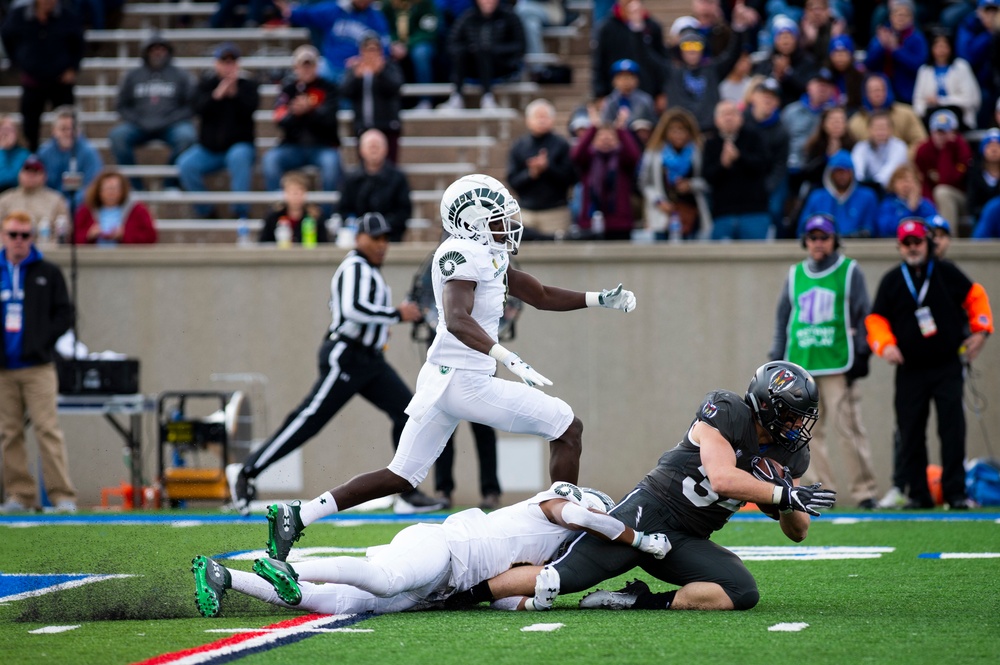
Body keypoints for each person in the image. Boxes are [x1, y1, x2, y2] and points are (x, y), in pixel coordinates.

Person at [258, 174, 638, 562]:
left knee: (402, 474)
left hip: (444, 379)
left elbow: (537, 294)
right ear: (472, 221)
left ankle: (299, 513)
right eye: (498, 216)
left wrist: (597, 299)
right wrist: (506, 356)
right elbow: (457, 318)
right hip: (464, 380)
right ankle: (560, 534)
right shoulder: (458, 253)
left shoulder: (488, 252)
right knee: (566, 425)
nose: (507, 222)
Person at [448, 361, 837, 612]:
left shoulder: (790, 456)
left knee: (741, 591)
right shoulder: (728, 411)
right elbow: (720, 477)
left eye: (800, 418)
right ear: (766, 406)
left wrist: (789, 503)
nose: (795, 426)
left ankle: (641, 600)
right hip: (647, 514)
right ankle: (461, 597)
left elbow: (798, 531)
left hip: (687, 538)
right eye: (789, 415)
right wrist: (781, 492)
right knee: (558, 577)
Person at [191, 483, 669, 617]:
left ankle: (224, 576)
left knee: (327, 603)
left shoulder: (551, 555)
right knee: (382, 579)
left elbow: (500, 595)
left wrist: (548, 595)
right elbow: (580, 517)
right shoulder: (554, 508)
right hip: (440, 549)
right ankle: (285, 566)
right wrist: (635, 538)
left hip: (437, 586)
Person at [227, 212, 433, 516]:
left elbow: (358, 310)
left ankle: (405, 490)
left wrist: (384, 324)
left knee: (409, 413)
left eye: (385, 238)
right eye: (375, 238)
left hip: (370, 360)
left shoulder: (370, 271)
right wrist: (394, 315)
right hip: (347, 357)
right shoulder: (354, 266)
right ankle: (246, 471)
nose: (381, 244)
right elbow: (352, 309)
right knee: (309, 419)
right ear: (359, 238)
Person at [866, 219, 994, 509]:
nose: (912, 248)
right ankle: (919, 494)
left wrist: (982, 331)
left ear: (928, 243)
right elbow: (875, 320)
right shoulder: (892, 280)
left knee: (952, 430)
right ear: (899, 246)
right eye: (906, 243)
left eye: (917, 242)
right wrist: (885, 345)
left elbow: (976, 297)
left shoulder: (947, 273)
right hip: (910, 369)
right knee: (910, 432)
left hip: (947, 365)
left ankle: (956, 493)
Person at [769, 214, 878, 509]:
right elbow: (783, 319)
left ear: (834, 240)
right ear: (806, 240)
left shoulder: (849, 270)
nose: (818, 243)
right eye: (813, 237)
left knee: (849, 428)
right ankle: (822, 492)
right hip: (801, 367)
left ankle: (864, 492)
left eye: (824, 237)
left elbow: (863, 313)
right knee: (807, 435)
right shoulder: (795, 274)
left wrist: (862, 353)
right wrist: (776, 357)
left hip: (837, 363)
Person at [0, 210, 77, 513]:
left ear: (32, 237)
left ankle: (62, 495)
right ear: (4, 236)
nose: (19, 241)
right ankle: (20, 494)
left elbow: (65, 314)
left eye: (24, 235)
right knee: (9, 432)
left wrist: (41, 340)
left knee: (47, 429)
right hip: (4, 368)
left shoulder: (48, 272)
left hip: (38, 366)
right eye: (13, 234)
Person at [176, 42, 260, 221]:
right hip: (210, 149)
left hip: (239, 146)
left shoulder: (248, 85)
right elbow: (197, 108)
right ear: (216, 64)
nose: (228, 66)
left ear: (237, 64)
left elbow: (251, 108)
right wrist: (216, 96)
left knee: (238, 156)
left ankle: (240, 211)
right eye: (224, 61)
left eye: (232, 61)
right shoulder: (206, 84)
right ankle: (206, 211)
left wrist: (235, 95)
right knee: (185, 164)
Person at [108, 33, 197, 189]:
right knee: (118, 136)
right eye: (153, 49)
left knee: (187, 136)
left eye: (161, 49)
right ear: (146, 52)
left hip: (172, 125)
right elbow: (121, 106)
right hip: (139, 125)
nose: (157, 52)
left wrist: (170, 119)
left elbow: (192, 105)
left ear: (168, 51)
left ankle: (170, 185)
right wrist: (138, 120)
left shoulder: (181, 75)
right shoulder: (133, 75)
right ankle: (135, 187)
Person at [0, 0, 85, 152]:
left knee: (68, 122)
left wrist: (73, 67)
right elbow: (6, 36)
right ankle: (33, 158)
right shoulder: (19, 16)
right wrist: (17, 61)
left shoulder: (67, 16)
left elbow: (79, 43)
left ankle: (70, 156)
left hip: (61, 81)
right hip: (32, 81)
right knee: (30, 126)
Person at [261, 45, 342, 193]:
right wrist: (294, 113)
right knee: (270, 160)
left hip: (323, 146)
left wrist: (310, 110)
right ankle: (279, 208)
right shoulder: (288, 89)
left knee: (331, 164)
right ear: (295, 68)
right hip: (292, 147)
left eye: (310, 65)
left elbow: (329, 119)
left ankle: (329, 214)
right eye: (303, 66)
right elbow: (280, 119)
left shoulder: (329, 88)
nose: (306, 70)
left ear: (317, 66)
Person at [274, 0, 391, 86]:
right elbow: (309, 15)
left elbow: (384, 47)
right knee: (319, 71)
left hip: (357, 68)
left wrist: (363, 60)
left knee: (363, 80)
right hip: (331, 65)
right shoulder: (336, 10)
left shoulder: (376, 18)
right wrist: (291, 11)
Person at [570, 107, 643, 240]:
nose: (606, 139)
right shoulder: (588, 159)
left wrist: (621, 130)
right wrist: (593, 128)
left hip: (619, 223)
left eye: (610, 136)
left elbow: (635, 156)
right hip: (590, 222)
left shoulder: (622, 159)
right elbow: (575, 155)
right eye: (601, 135)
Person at [439, 0, 526, 110]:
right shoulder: (468, 17)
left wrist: (493, 50)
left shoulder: (509, 16)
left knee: (483, 51)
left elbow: (519, 46)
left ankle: (488, 97)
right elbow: (452, 43)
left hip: (502, 66)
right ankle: (457, 97)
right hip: (474, 67)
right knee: (464, 52)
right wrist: (471, 49)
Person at [703, 100, 771, 240]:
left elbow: (764, 166)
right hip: (723, 213)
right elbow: (707, 177)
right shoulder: (710, 143)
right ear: (716, 120)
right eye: (724, 114)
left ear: (741, 118)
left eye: (732, 113)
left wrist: (740, 157)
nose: (728, 118)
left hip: (754, 210)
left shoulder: (754, 137)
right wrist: (722, 164)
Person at [506, 99, 576, 237]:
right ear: (528, 120)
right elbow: (512, 180)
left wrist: (548, 168)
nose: (541, 120)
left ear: (552, 119)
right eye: (537, 116)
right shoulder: (519, 146)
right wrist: (531, 173)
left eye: (545, 116)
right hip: (526, 211)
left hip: (555, 211)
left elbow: (571, 177)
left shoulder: (561, 144)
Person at [638, 107, 705, 240]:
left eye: (682, 130)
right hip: (663, 211)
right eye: (674, 130)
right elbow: (644, 182)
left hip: (690, 211)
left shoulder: (698, 152)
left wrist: (691, 185)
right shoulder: (654, 153)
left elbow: (707, 179)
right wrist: (658, 201)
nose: (678, 135)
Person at [340, 32, 404, 163]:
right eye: (367, 50)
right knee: (365, 166)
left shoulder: (390, 67)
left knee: (389, 165)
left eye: (374, 50)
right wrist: (355, 77)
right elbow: (345, 92)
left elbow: (395, 88)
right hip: (363, 126)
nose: (371, 54)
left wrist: (380, 72)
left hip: (387, 126)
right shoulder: (355, 69)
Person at [337, 129, 411, 242]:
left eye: (377, 146)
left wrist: (380, 227)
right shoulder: (350, 179)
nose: (374, 150)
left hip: (390, 237)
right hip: (358, 238)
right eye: (370, 146)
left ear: (386, 149)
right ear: (361, 150)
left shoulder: (398, 178)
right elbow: (343, 210)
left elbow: (403, 212)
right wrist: (362, 227)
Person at [591, 0, 669, 106]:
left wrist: (662, 91)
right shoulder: (607, 28)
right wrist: (600, 93)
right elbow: (599, 63)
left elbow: (662, 62)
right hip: (615, 95)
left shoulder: (652, 27)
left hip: (647, 92)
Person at [743, 78, 791, 233]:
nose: (768, 99)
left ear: (777, 102)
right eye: (764, 94)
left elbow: (779, 166)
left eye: (773, 96)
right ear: (753, 97)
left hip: (769, 177)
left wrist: (766, 187)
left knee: (774, 209)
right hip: (745, 175)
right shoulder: (741, 121)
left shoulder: (781, 131)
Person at [797, 150, 878, 238]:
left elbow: (871, 228)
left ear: (852, 173)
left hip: (858, 248)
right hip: (823, 248)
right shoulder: (817, 197)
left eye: (846, 171)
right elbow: (803, 229)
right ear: (830, 173)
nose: (842, 175)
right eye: (838, 171)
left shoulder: (867, 196)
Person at [36, 106, 103, 212]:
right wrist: (56, 202)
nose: (68, 133)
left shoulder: (89, 153)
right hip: (50, 207)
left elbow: (93, 184)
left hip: (81, 207)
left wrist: (72, 202)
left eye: (72, 129)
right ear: (54, 131)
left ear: (79, 131)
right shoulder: (44, 153)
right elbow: (38, 183)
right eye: (63, 129)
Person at [914, 110, 972, 228]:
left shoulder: (961, 148)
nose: (941, 137)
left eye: (945, 132)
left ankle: (948, 237)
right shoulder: (923, 150)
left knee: (942, 192)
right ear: (931, 132)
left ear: (953, 133)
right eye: (938, 132)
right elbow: (923, 180)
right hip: (931, 198)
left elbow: (946, 179)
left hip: (961, 198)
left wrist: (947, 150)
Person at [912, 30, 981, 131]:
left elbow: (970, 99)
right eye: (937, 46)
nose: (941, 50)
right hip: (931, 115)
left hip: (958, 114)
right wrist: (924, 110)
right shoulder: (924, 70)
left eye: (944, 46)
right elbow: (917, 100)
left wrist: (941, 101)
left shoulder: (961, 66)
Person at [863, 0, 928, 105]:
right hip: (882, 92)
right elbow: (868, 63)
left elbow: (919, 66)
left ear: (911, 18)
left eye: (904, 15)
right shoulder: (882, 36)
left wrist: (896, 50)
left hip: (907, 92)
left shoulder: (917, 39)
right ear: (890, 17)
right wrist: (881, 46)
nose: (900, 18)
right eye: (897, 15)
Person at [73, 170, 158, 245]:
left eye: (115, 188)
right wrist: (89, 234)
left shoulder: (138, 210)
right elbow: (73, 239)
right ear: (98, 190)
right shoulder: (86, 210)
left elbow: (151, 237)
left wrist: (125, 235)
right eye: (107, 188)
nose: (111, 193)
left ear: (123, 190)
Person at [848, 73, 927, 154]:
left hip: (902, 163)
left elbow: (921, 142)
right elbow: (850, 149)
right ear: (865, 93)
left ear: (887, 90)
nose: (877, 93)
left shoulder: (907, 114)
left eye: (879, 89)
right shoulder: (855, 122)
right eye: (872, 90)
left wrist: (902, 156)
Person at [382, 0, 439, 109]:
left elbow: (429, 30)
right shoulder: (388, 5)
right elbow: (383, 29)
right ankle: (388, 104)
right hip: (394, 44)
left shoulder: (425, 4)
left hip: (418, 43)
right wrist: (394, 43)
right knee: (380, 53)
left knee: (421, 54)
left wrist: (407, 45)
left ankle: (425, 100)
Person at [956, 0, 1000, 128]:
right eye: (987, 11)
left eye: (995, 11)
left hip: (995, 79)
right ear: (979, 12)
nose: (991, 15)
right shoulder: (969, 24)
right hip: (976, 79)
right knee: (984, 96)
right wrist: (989, 34)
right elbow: (967, 57)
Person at [0, 156, 69, 233]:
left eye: (35, 172)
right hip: (11, 244)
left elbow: (65, 232)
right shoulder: (5, 199)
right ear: (19, 174)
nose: (30, 175)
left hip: (46, 244)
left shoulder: (57, 200)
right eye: (27, 171)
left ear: (44, 176)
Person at [258, 170, 329, 244]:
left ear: (305, 193)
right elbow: (263, 243)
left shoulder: (316, 217)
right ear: (285, 193)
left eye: (299, 192)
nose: (295, 196)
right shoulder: (273, 217)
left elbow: (324, 245)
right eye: (292, 192)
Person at [600, 59, 658, 145]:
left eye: (630, 76)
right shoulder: (610, 101)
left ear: (637, 80)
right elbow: (605, 124)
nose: (625, 81)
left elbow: (654, 123)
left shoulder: (645, 100)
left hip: (641, 143)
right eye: (621, 77)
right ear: (614, 81)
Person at [851, 111, 910, 195]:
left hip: (892, 191)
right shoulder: (861, 147)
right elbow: (857, 170)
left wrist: (874, 184)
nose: (881, 131)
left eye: (884, 127)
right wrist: (861, 184)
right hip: (866, 190)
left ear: (891, 129)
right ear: (869, 129)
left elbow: (889, 170)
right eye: (877, 128)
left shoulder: (900, 146)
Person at [876, 164, 938, 238]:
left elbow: (934, 227)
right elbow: (885, 229)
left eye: (909, 181)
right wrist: (910, 209)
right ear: (893, 184)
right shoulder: (887, 205)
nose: (905, 185)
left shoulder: (925, 205)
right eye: (901, 181)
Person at [967, 128, 1000, 224]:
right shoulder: (975, 172)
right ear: (983, 149)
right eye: (989, 146)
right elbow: (972, 201)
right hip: (980, 217)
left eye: (997, 146)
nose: (994, 149)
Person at [0, 116, 30, 194]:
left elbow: (12, 179)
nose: (5, 134)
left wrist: (2, 150)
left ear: (16, 133)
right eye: (2, 130)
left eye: (9, 130)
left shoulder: (24, 154)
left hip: (16, 196)